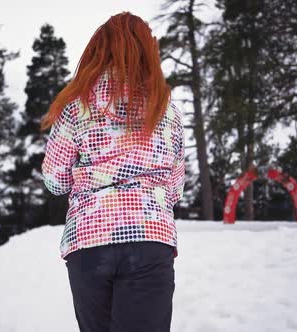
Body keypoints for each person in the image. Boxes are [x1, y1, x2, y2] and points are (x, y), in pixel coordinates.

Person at [40, 11, 185, 332]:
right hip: (151, 240)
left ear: (98, 50)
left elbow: (54, 180)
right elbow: (175, 191)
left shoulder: (76, 107)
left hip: (89, 242)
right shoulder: (168, 112)